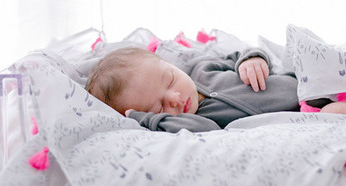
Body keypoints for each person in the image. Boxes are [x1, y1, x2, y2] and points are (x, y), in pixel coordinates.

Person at [85, 46, 302, 132]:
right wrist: (143, 118)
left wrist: (252, 59)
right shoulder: (196, 120)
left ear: (171, 65)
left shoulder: (203, 70)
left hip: (300, 83)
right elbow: (208, 130)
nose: (175, 98)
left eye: (170, 80)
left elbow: (237, 55)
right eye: (158, 108)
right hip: (303, 115)